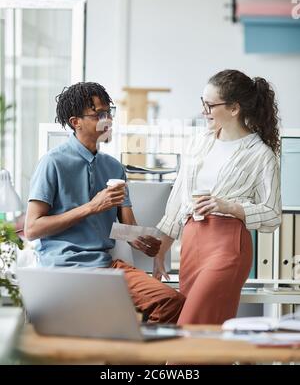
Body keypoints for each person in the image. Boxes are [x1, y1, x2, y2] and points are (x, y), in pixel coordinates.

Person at [25, 82, 184, 323]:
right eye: (99, 114)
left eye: (109, 112)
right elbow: (32, 228)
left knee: (171, 301)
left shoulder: (114, 168)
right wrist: (91, 207)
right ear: (75, 122)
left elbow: (127, 228)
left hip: (105, 268)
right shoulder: (53, 163)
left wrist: (143, 242)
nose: (107, 119)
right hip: (63, 270)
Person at [153, 69, 281, 325]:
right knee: (201, 333)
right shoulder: (198, 143)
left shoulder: (260, 154)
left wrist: (230, 206)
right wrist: (161, 250)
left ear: (234, 108)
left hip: (227, 246)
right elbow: (178, 199)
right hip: (192, 243)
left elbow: (273, 214)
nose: (204, 111)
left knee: (190, 329)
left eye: (210, 105)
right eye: (203, 103)